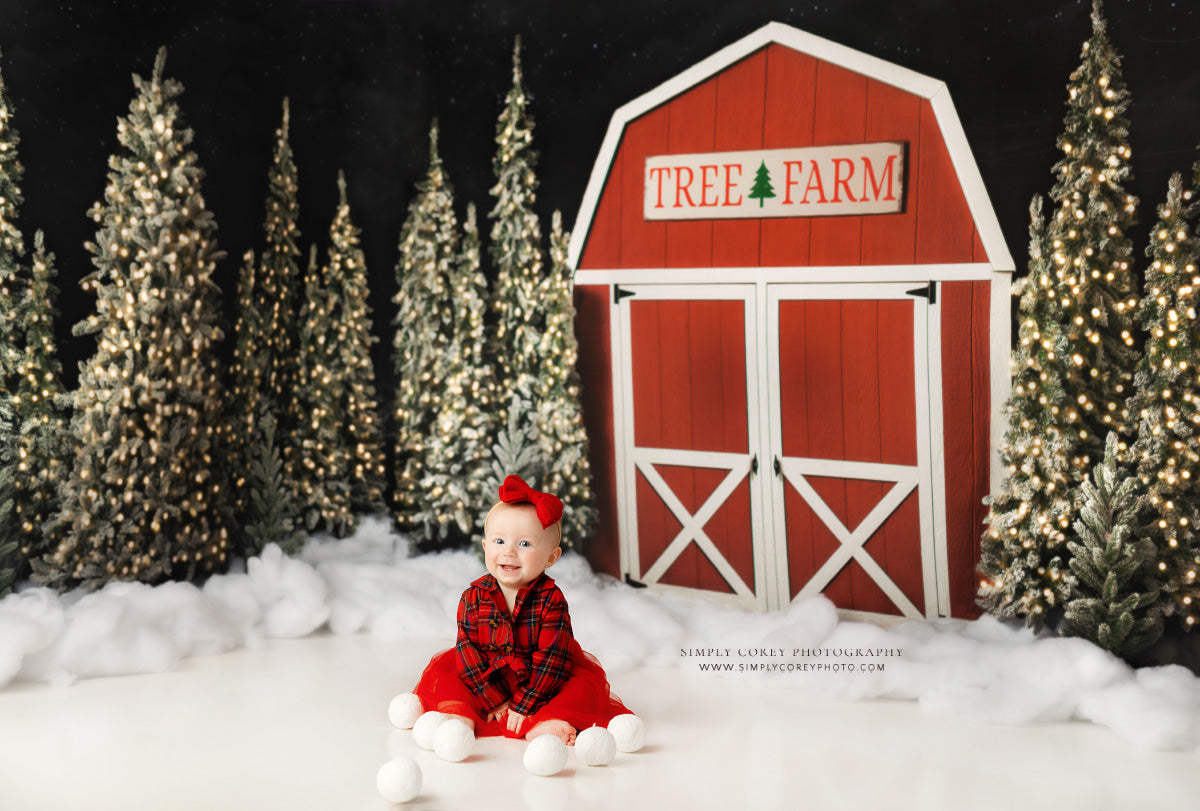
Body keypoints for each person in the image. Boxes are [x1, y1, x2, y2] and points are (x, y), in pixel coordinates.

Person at [411, 474, 631, 745]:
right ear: (484, 546)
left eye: (524, 544)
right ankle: (459, 716)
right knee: (451, 675)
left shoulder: (551, 600)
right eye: (499, 541)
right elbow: (468, 650)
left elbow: (553, 659)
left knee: (578, 687)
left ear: (551, 557)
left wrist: (524, 704)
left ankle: (547, 721)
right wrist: (495, 698)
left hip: (540, 680)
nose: (509, 552)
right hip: (485, 678)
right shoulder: (472, 597)